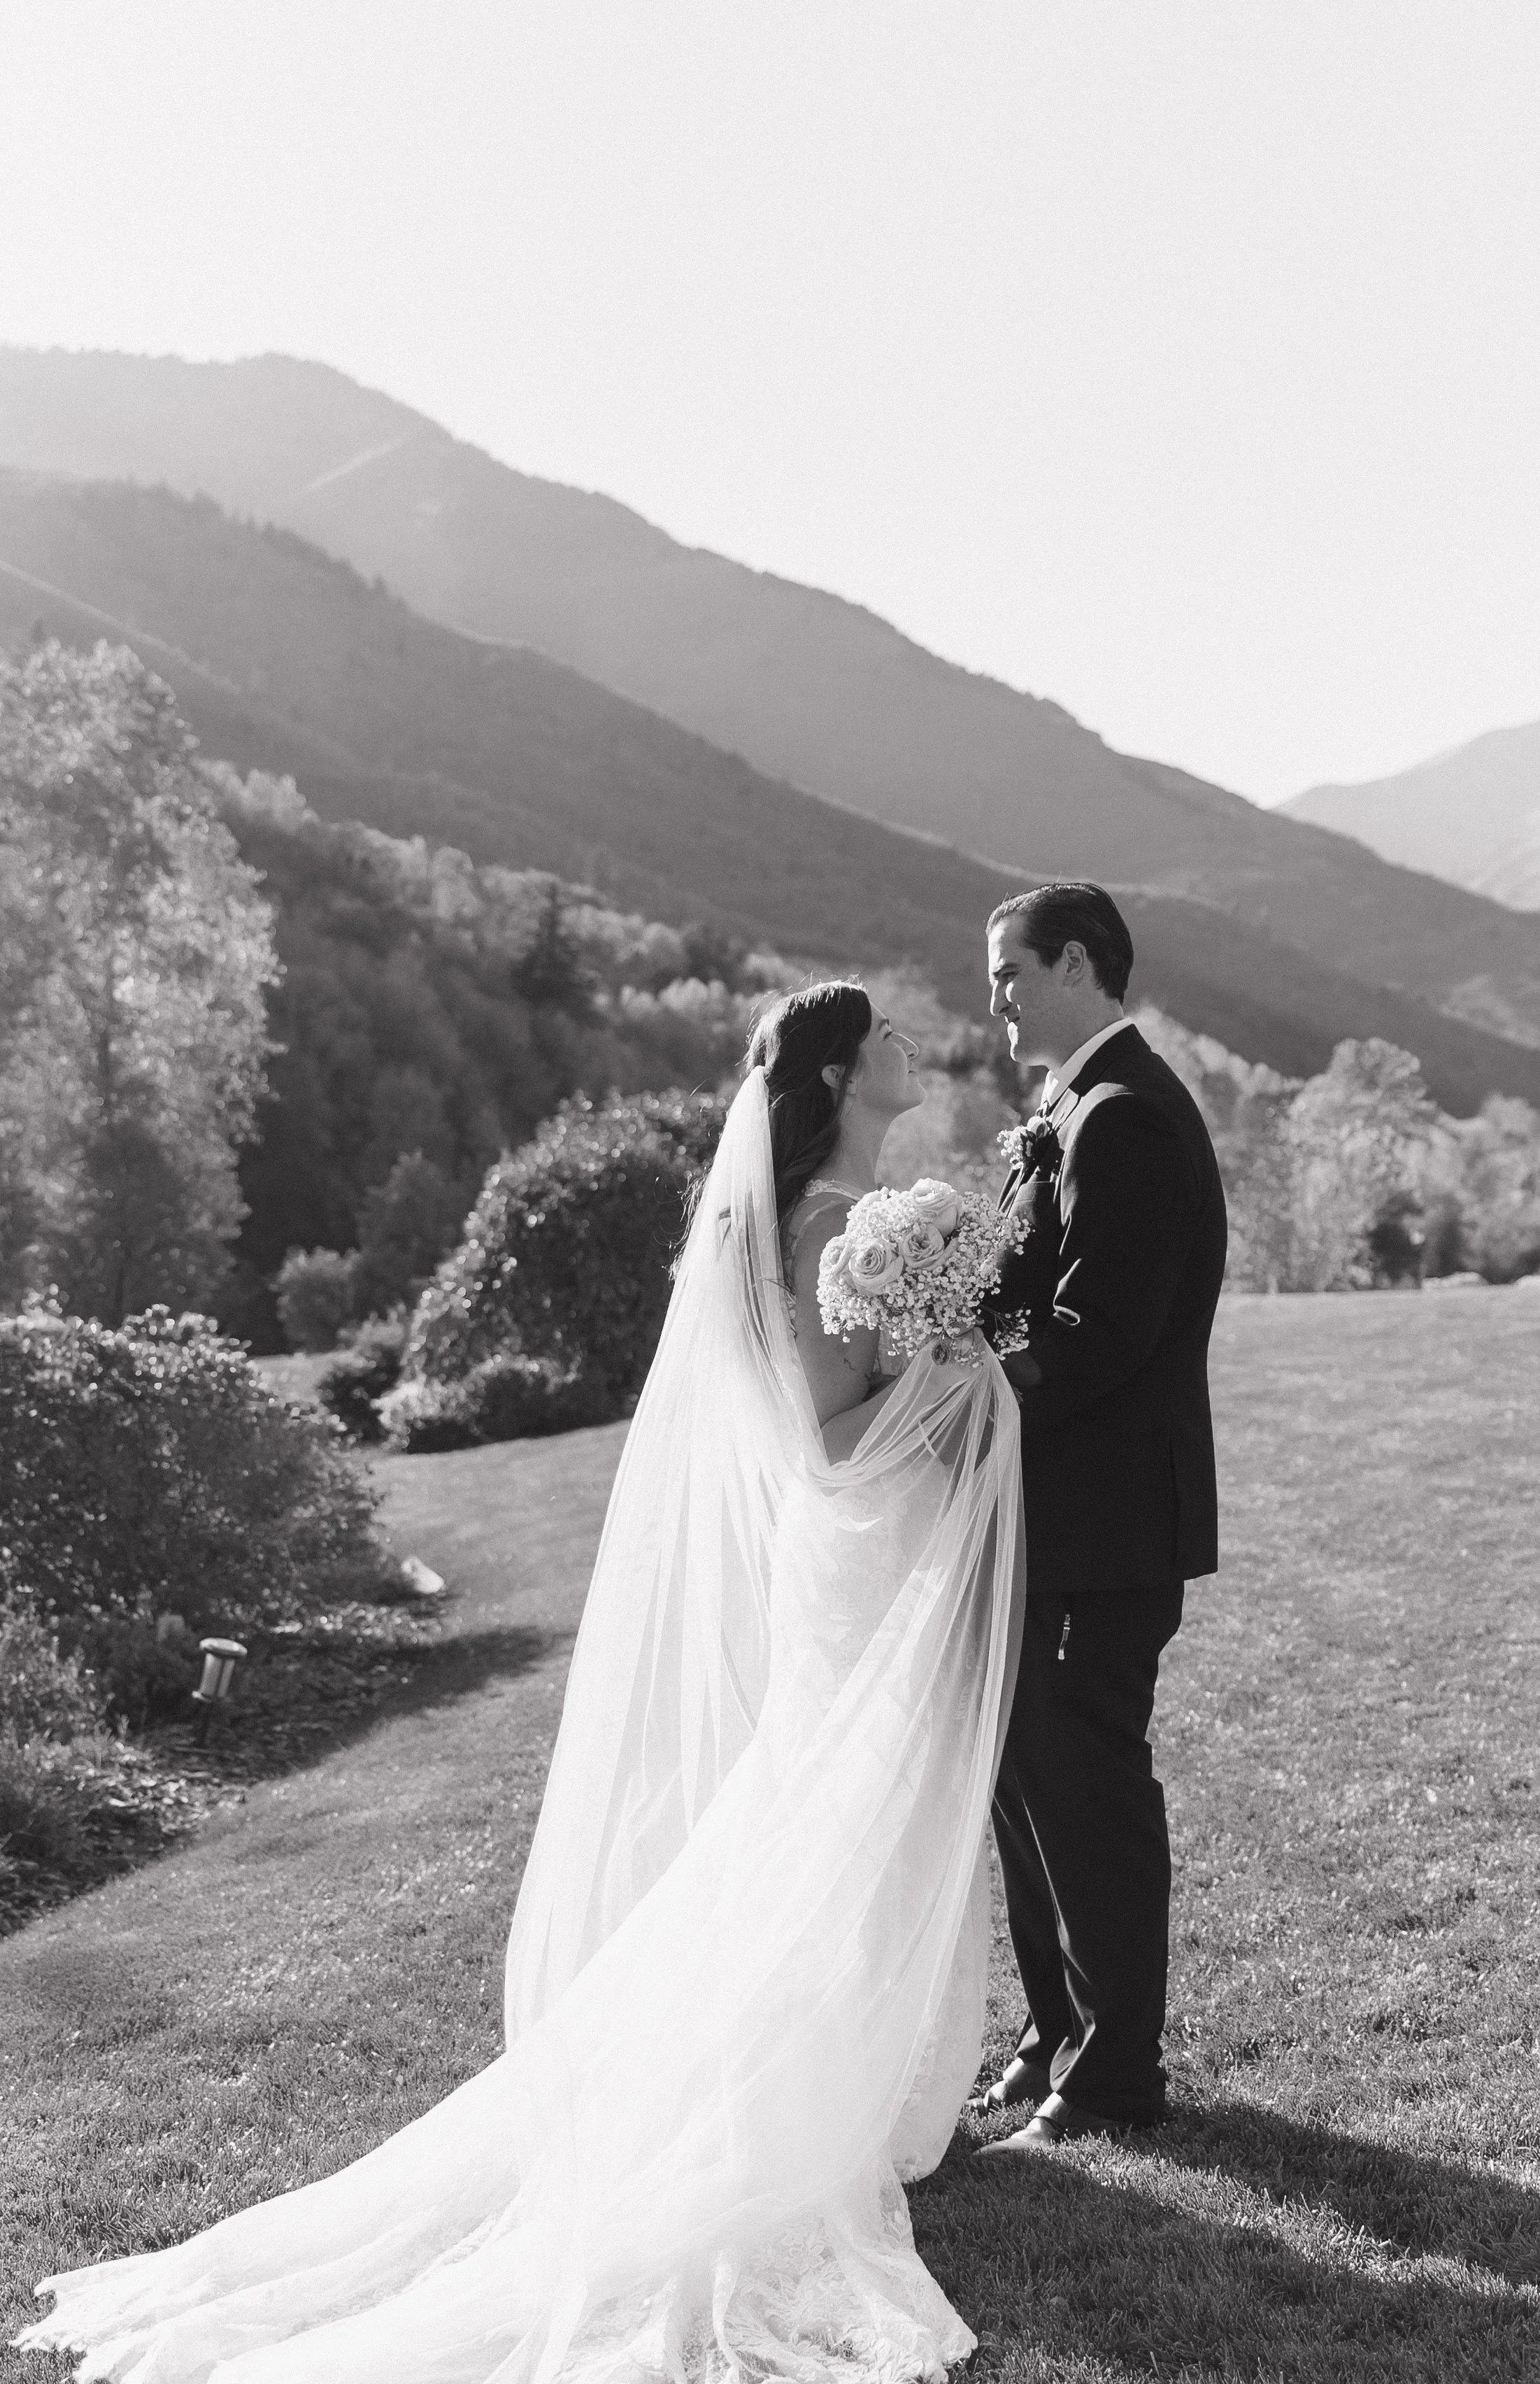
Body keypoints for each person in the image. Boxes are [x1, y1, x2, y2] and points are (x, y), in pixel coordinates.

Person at [18, 981, 1025, 2384]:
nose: (914, 1045)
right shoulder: (819, 1228)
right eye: (893, 1038)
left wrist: (940, 1343)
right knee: (837, 1824)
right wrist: (955, 1378)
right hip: (856, 1557)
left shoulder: (837, 1216)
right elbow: (821, 1430)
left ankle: (861, 2079)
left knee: (861, 1822)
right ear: (847, 1074)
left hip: (872, 1552)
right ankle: (798, 2098)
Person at [976, 884, 1226, 2148]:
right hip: (1055, 1516)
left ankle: (1116, 2070)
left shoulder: (1125, 1116)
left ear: (1076, 963)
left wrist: (964, 1390)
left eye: (1010, 973)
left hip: (1108, 1519)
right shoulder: (1074, 1110)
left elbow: (1099, 1335)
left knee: (1086, 1787)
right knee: (1025, 1780)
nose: (997, 1001)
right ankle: (1056, 2034)